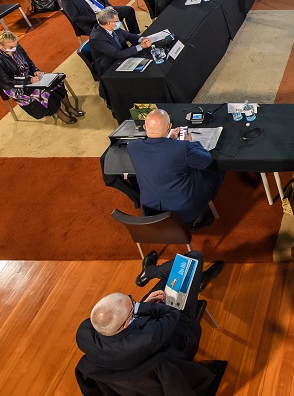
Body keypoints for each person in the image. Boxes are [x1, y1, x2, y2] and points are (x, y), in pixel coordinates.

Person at [75, 250, 224, 392]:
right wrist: (145, 307)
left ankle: (183, 278)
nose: (136, 302)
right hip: (178, 337)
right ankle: (155, 272)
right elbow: (172, 314)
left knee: (176, 276)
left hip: (142, 341)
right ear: (127, 323)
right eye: (134, 303)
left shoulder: (84, 335)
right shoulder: (147, 337)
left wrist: (140, 306)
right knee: (193, 259)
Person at [127, 108, 223, 228]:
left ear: (145, 127)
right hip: (182, 210)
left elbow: (157, 155)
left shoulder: (132, 147)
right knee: (216, 172)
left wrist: (170, 139)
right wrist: (189, 142)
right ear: (169, 126)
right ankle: (203, 213)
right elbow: (205, 160)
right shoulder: (182, 148)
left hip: (150, 211)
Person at [0, 30, 82, 124]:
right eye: (11, 47)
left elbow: (29, 62)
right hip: (15, 86)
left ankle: (69, 107)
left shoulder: (17, 47)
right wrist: (29, 80)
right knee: (44, 93)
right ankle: (61, 114)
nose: (15, 48)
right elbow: (6, 80)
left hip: (29, 77)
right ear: (1, 46)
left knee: (56, 82)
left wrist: (36, 70)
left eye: (15, 45)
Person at [88, 7, 152, 76]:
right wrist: (140, 46)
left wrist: (141, 39)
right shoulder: (97, 38)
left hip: (122, 53)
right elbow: (117, 54)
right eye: (117, 21)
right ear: (109, 23)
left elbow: (129, 36)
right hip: (110, 64)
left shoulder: (112, 27)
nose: (119, 22)